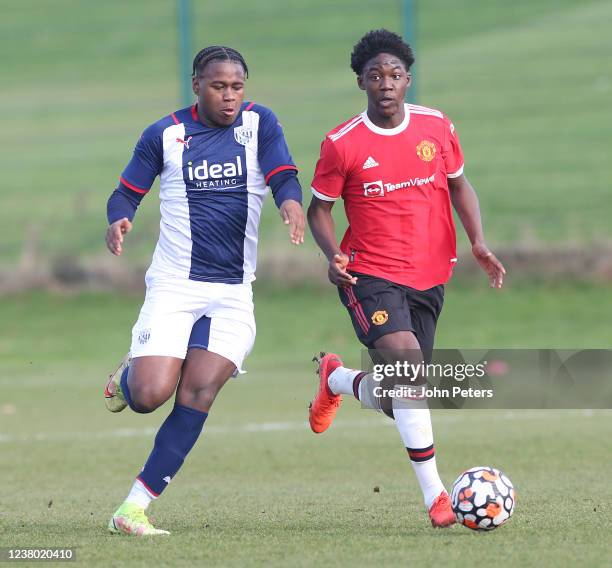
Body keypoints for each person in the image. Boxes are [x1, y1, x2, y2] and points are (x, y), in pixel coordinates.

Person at [307, 29, 505, 528]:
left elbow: (460, 186)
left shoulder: (436, 127)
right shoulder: (342, 143)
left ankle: (337, 379)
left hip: (430, 276)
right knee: (410, 373)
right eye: (375, 76)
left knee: (405, 396)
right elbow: (319, 211)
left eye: (395, 75)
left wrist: (478, 240)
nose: (386, 83)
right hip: (367, 273)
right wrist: (333, 256)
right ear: (361, 83)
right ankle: (437, 497)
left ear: (408, 80)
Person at [103, 45, 304, 536]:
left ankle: (132, 509)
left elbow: (283, 173)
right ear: (197, 86)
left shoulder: (261, 124)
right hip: (174, 286)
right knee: (151, 395)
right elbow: (126, 191)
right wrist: (119, 219)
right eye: (219, 86)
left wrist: (292, 205)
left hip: (234, 293)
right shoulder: (166, 135)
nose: (230, 96)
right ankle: (129, 376)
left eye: (237, 86)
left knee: (199, 391)